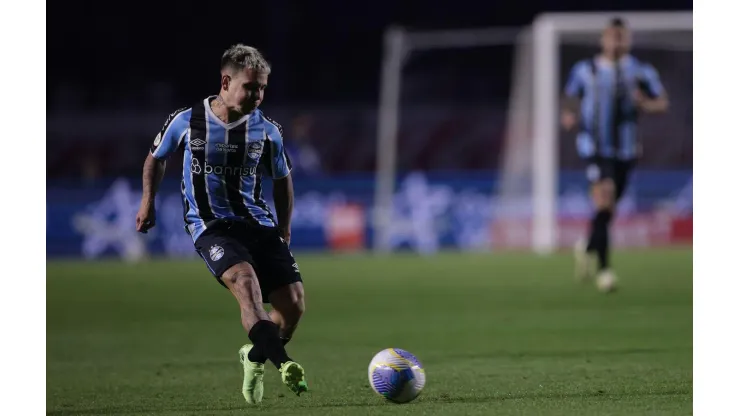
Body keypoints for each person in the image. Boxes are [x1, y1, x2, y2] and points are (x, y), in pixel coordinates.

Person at [135, 44, 307, 404]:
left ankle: (254, 355)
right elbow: (156, 158)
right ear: (226, 81)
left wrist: (285, 228)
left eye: (262, 88)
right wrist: (147, 200)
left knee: (293, 306)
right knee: (246, 285)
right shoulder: (186, 120)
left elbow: (283, 178)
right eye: (250, 87)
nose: (258, 95)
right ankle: (284, 362)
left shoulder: (267, 131)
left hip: (258, 223)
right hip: (209, 225)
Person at [561, 18, 669, 292]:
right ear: (603, 39)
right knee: (605, 198)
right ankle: (605, 272)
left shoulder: (640, 71)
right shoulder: (586, 70)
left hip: (626, 150)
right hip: (595, 148)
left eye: (622, 37)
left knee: (607, 211)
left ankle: (586, 245)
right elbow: (570, 97)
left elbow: (662, 103)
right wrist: (569, 114)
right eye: (612, 37)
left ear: (628, 40)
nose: (617, 42)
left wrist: (645, 103)